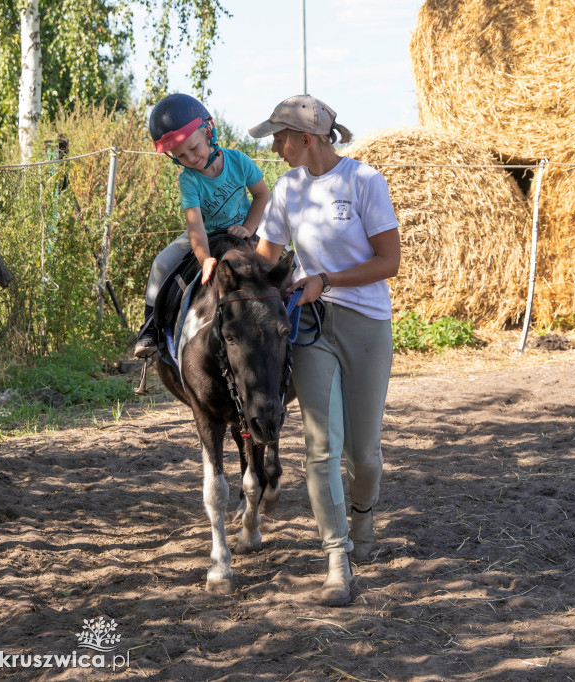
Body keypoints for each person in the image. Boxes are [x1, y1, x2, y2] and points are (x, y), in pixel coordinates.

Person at [249, 94, 401, 607]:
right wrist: (231, 265)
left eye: (279, 137)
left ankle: (363, 516)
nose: (273, 147)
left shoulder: (364, 182)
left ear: (306, 139)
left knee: (364, 456)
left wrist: (326, 278)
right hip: (311, 330)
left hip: (365, 326)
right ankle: (336, 558)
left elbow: (389, 261)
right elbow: (267, 260)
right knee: (320, 448)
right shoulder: (288, 190)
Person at [133, 93, 270, 358]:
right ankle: (150, 328)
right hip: (205, 233)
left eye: (194, 148)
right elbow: (195, 226)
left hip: (245, 225)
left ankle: (305, 313)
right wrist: (205, 258)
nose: (191, 158)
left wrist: (250, 228)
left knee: (286, 258)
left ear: (209, 132)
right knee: (161, 264)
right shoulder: (189, 180)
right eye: (181, 156)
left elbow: (262, 195)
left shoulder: (239, 161)